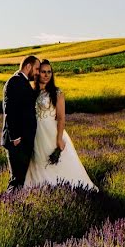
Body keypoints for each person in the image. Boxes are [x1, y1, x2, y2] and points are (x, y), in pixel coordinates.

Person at [24, 59, 97, 190]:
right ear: (37, 73)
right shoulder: (32, 92)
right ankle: (40, 189)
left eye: (49, 72)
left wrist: (59, 139)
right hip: (36, 134)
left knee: (56, 163)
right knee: (38, 162)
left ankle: (64, 188)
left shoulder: (57, 93)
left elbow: (62, 118)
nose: (46, 75)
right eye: (43, 72)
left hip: (52, 133)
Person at [1, 55, 39, 192]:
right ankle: (8, 207)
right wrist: (15, 137)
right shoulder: (15, 81)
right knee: (17, 180)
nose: (38, 72)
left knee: (21, 179)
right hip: (17, 142)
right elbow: (10, 110)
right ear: (28, 66)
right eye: (36, 69)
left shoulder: (22, 82)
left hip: (23, 141)